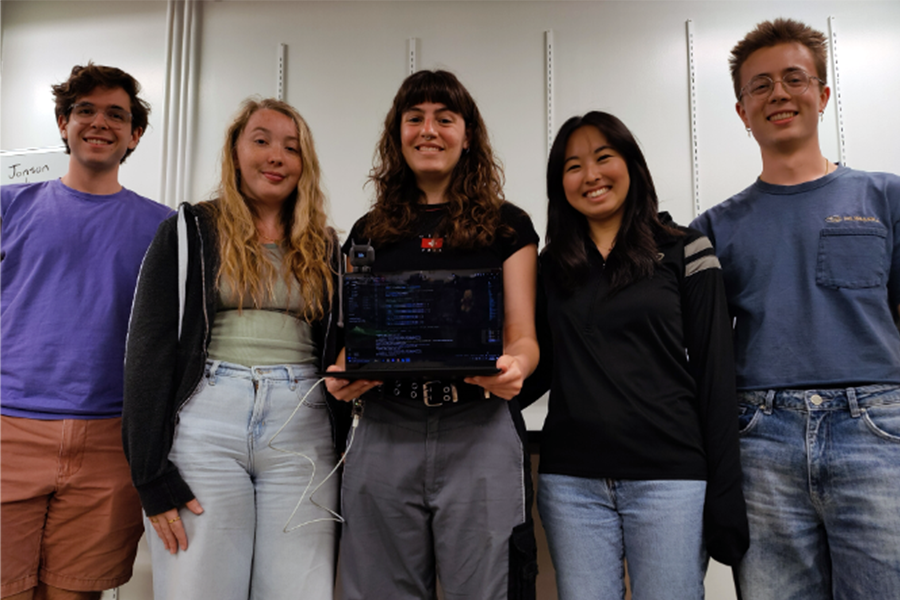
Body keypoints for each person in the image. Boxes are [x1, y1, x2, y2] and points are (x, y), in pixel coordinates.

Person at [690, 18, 900, 599]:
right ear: (742, 110)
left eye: (793, 79)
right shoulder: (712, 229)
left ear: (823, 94)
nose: (778, 94)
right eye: (760, 85)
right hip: (760, 441)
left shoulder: (886, 197)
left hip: (878, 432)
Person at [325, 69, 540, 600]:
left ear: (467, 136)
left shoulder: (508, 226)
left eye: (445, 118)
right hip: (384, 428)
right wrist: (341, 374)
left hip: (480, 428)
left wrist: (518, 365)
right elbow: (359, 337)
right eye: (415, 118)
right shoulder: (368, 232)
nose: (429, 130)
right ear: (397, 135)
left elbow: (523, 335)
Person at [122, 98, 347, 600]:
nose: (276, 156)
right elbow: (147, 351)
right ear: (235, 152)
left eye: (292, 148)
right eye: (261, 141)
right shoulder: (189, 232)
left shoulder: (327, 246)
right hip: (206, 424)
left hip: (302, 425)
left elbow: (345, 347)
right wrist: (149, 475)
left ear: (304, 163)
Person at [520, 111, 748, 600]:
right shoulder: (552, 266)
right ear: (560, 184)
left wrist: (726, 492)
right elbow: (538, 368)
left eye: (604, 157)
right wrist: (462, 390)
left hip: (669, 478)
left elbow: (716, 374)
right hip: (571, 482)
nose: (591, 175)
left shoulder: (685, 250)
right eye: (573, 166)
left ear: (632, 165)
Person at [0, 64, 171, 600]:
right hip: (10, 430)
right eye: (85, 110)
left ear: (134, 134)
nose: (100, 122)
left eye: (116, 114)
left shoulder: (165, 228)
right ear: (63, 123)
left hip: (110, 441)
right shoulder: (9, 205)